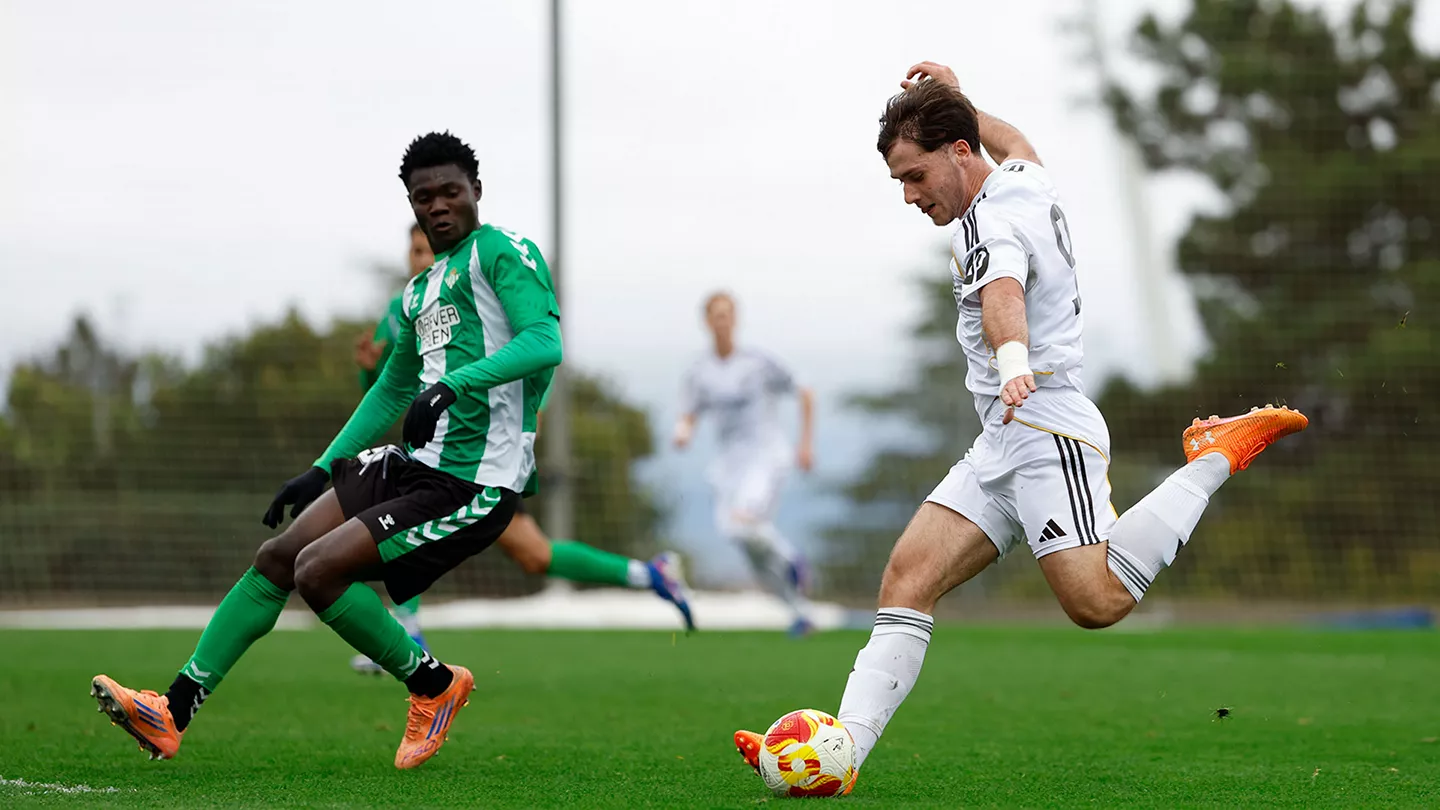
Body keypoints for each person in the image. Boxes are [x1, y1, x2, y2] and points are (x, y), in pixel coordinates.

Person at [732, 63, 1308, 794]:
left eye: (914, 176)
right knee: (907, 577)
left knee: (1096, 604)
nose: (910, 196)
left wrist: (1012, 362)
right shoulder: (1021, 178)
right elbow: (1017, 140)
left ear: (959, 153)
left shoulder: (988, 221)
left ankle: (1212, 457)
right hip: (1004, 433)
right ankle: (840, 754)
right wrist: (959, 99)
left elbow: (1003, 292)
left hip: (1045, 424)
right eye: (900, 183)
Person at [91, 131, 577, 769]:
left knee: (319, 571)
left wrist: (456, 384)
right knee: (278, 557)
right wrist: (319, 468)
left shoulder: (500, 253)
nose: (437, 206)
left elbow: (546, 341)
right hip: (415, 468)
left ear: (476, 192)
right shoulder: (418, 293)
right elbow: (388, 391)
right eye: (422, 196)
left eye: (450, 192)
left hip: (474, 484)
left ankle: (433, 687)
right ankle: (170, 712)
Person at [347, 233, 695, 676]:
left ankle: (408, 633)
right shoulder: (402, 309)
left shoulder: (474, 294)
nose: (422, 259)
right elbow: (388, 391)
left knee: (419, 528)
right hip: (436, 457)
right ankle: (651, 575)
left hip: (484, 457)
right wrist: (366, 369)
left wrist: (536, 415)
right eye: (414, 251)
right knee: (533, 554)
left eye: (429, 250)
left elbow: (530, 355)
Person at [673, 292, 816, 636]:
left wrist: (805, 444)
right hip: (728, 466)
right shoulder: (699, 371)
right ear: (707, 322)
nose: (722, 321)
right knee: (744, 544)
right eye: (716, 316)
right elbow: (689, 412)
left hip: (765, 457)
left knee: (743, 524)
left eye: (727, 315)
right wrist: (683, 431)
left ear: (735, 319)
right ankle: (799, 613)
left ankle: (791, 560)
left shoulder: (758, 361)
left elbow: (805, 391)